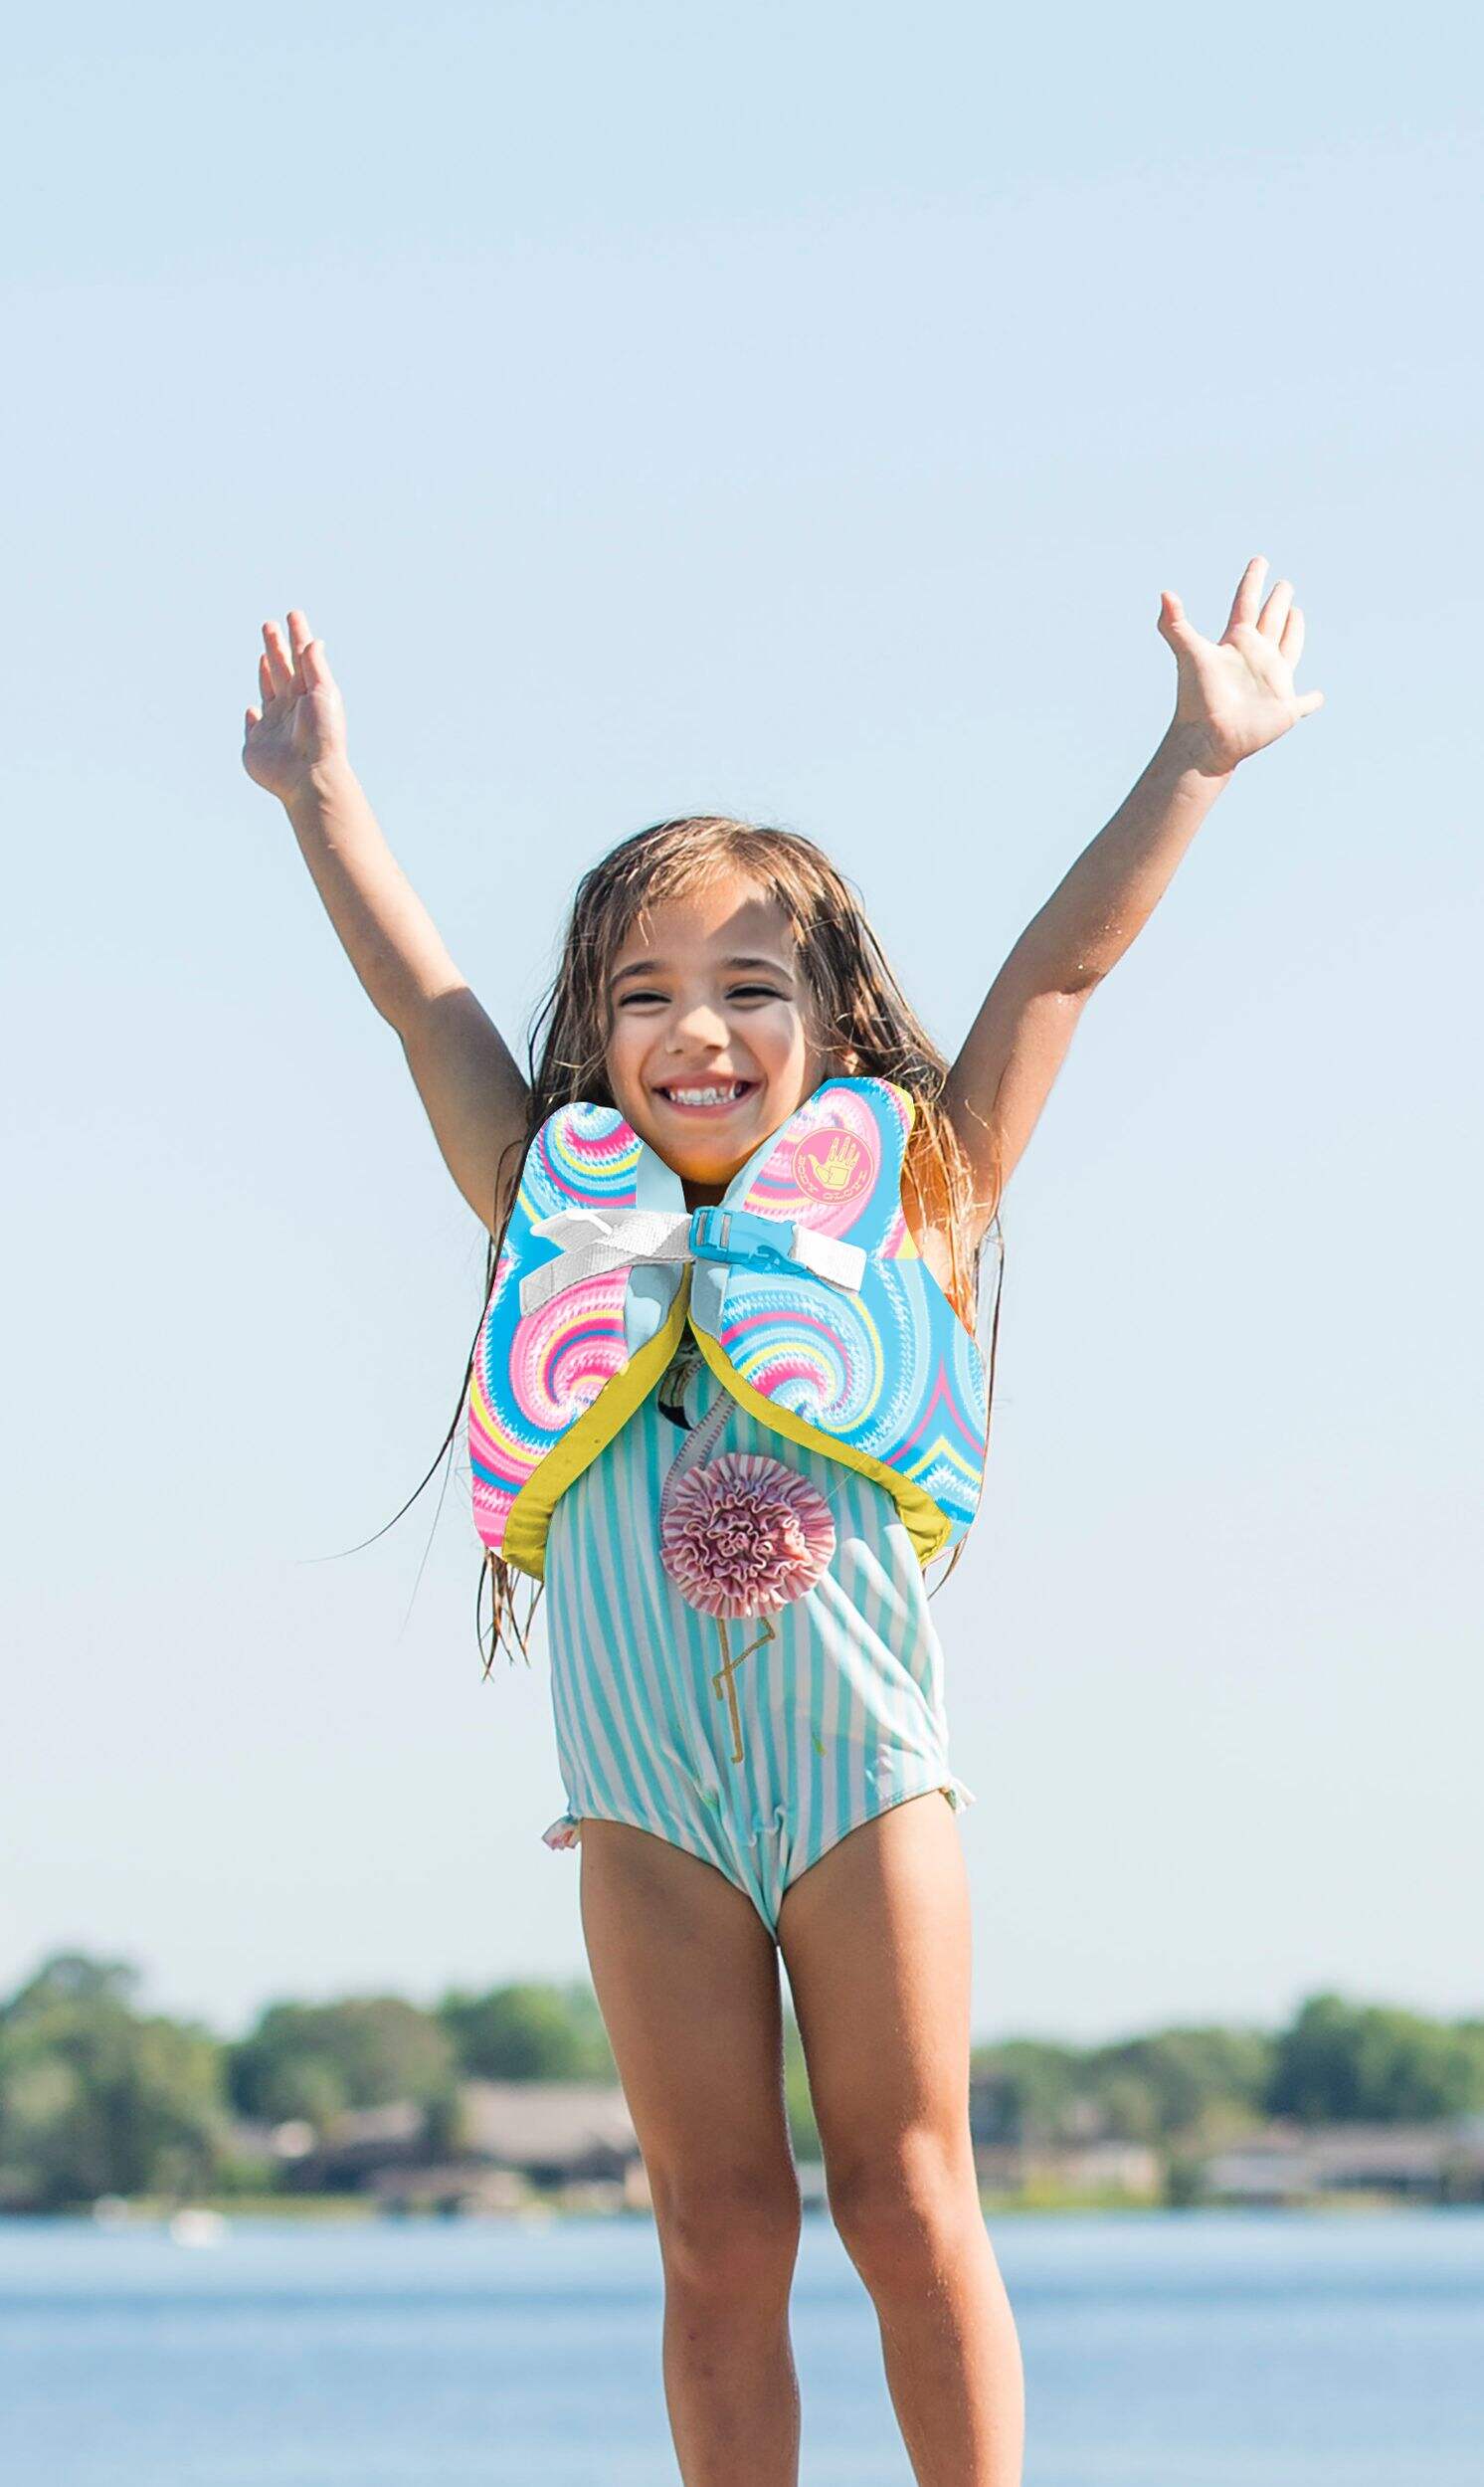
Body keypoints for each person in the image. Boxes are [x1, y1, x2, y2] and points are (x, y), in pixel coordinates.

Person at [241, 556, 1321, 2487]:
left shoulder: (914, 1198)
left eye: (749, 988)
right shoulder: (543, 1211)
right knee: (716, 2234)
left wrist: (1195, 756)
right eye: (645, 995)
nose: (699, 1029)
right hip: (643, 1807)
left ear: (825, 1023)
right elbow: (423, 1005)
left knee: (906, 2197)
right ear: (597, 1036)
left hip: (859, 1787)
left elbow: (1054, 976)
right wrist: (322, 793)